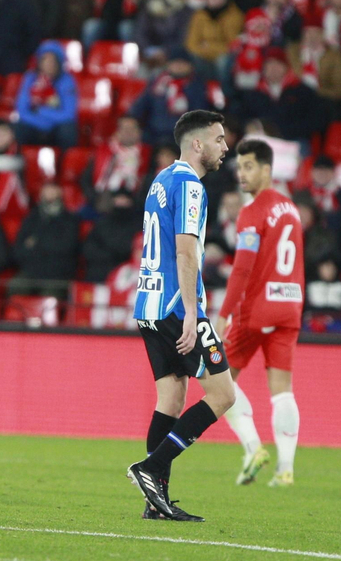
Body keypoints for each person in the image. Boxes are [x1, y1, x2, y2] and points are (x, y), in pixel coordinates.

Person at [127, 110, 234, 522]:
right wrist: (192, 313)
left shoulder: (162, 179)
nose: (225, 147)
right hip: (176, 306)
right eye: (219, 139)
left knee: (171, 400)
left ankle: (156, 500)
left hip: (148, 304)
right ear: (197, 143)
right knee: (224, 395)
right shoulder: (190, 185)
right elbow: (185, 251)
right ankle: (150, 469)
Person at [213, 139, 304, 488]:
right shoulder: (290, 209)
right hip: (290, 304)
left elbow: (242, 270)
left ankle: (253, 448)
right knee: (282, 391)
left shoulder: (252, 213)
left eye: (249, 166)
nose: (242, 173)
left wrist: (222, 316)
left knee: (219, 379)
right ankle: (285, 469)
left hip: (258, 309)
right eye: (240, 166)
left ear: (267, 170)